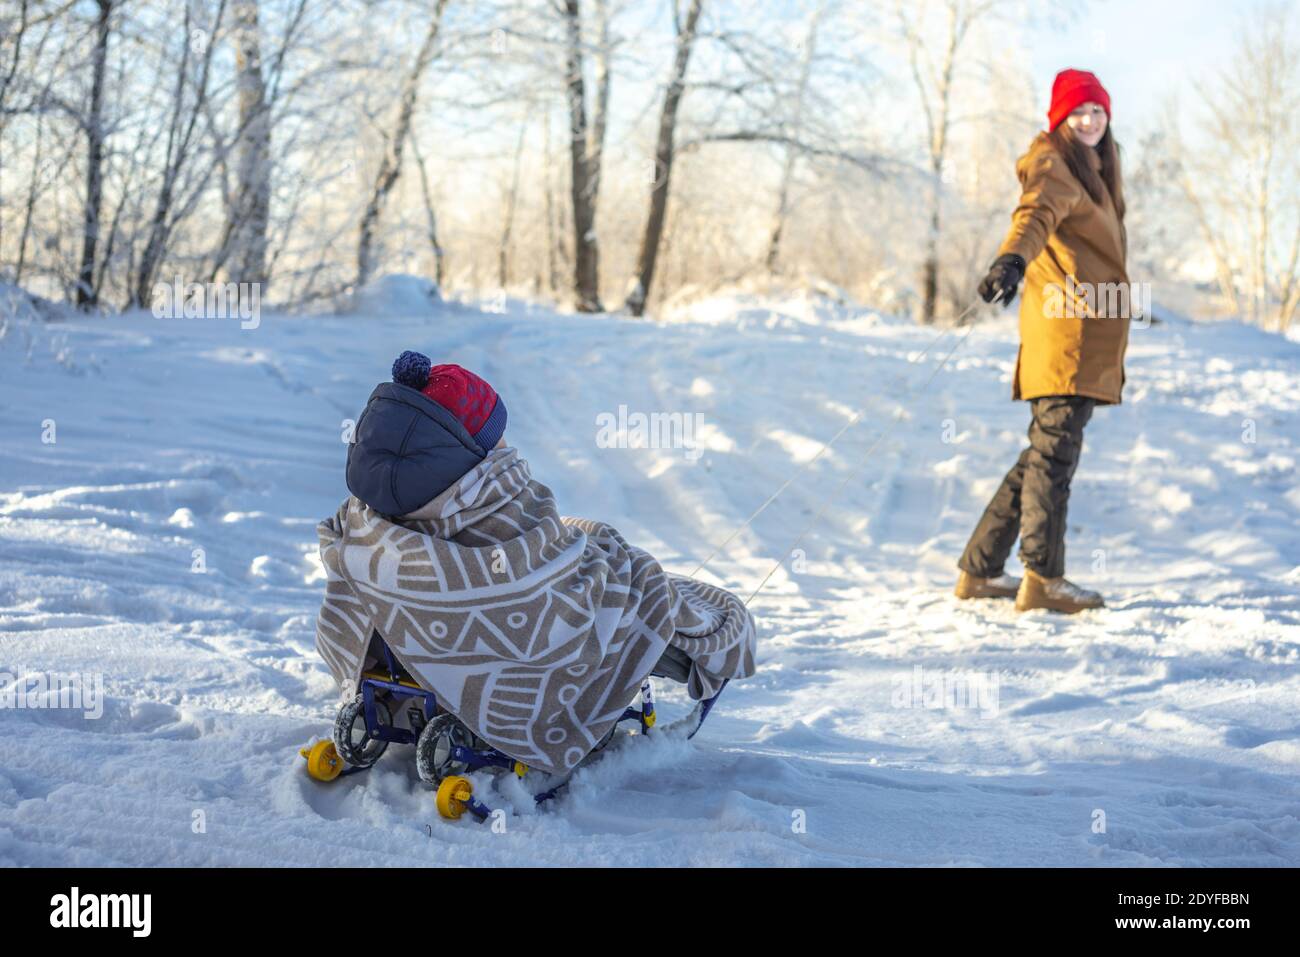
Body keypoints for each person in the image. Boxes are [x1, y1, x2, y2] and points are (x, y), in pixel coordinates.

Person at [313, 352, 756, 774]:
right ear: (466, 455)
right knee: (634, 588)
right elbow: (550, 580)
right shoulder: (500, 506)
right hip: (525, 652)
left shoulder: (365, 525)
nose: (504, 449)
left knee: (592, 538)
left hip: (403, 641)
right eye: (495, 440)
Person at [956, 68, 1130, 614]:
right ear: (1059, 118)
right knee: (1054, 458)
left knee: (1042, 453)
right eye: (1078, 112)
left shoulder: (1098, 167)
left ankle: (980, 571)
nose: (1089, 120)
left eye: (1097, 110)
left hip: (1085, 330)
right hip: (1067, 332)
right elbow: (1034, 215)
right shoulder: (1054, 162)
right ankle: (1043, 580)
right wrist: (1011, 260)